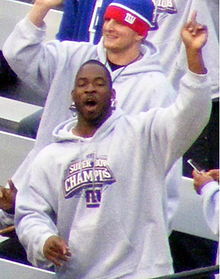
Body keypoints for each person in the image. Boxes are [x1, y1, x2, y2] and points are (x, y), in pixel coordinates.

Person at [0, 0, 207, 263]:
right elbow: (17, 53)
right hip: (51, 214)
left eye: (121, 21)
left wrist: (148, 238)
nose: (109, 26)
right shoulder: (74, 57)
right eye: (108, 19)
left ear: (140, 32)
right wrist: (40, 8)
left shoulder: (155, 89)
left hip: (114, 232)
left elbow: (165, 173)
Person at [15, 58, 211, 278]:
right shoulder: (50, 157)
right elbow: (30, 214)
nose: (90, 89)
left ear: (113, 94)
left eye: (99, 83)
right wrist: (44, 240)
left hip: (143, 272)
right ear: (73, 96)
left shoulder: (143, 135)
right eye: (82, 84)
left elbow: (190, 113)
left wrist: (194, 60)